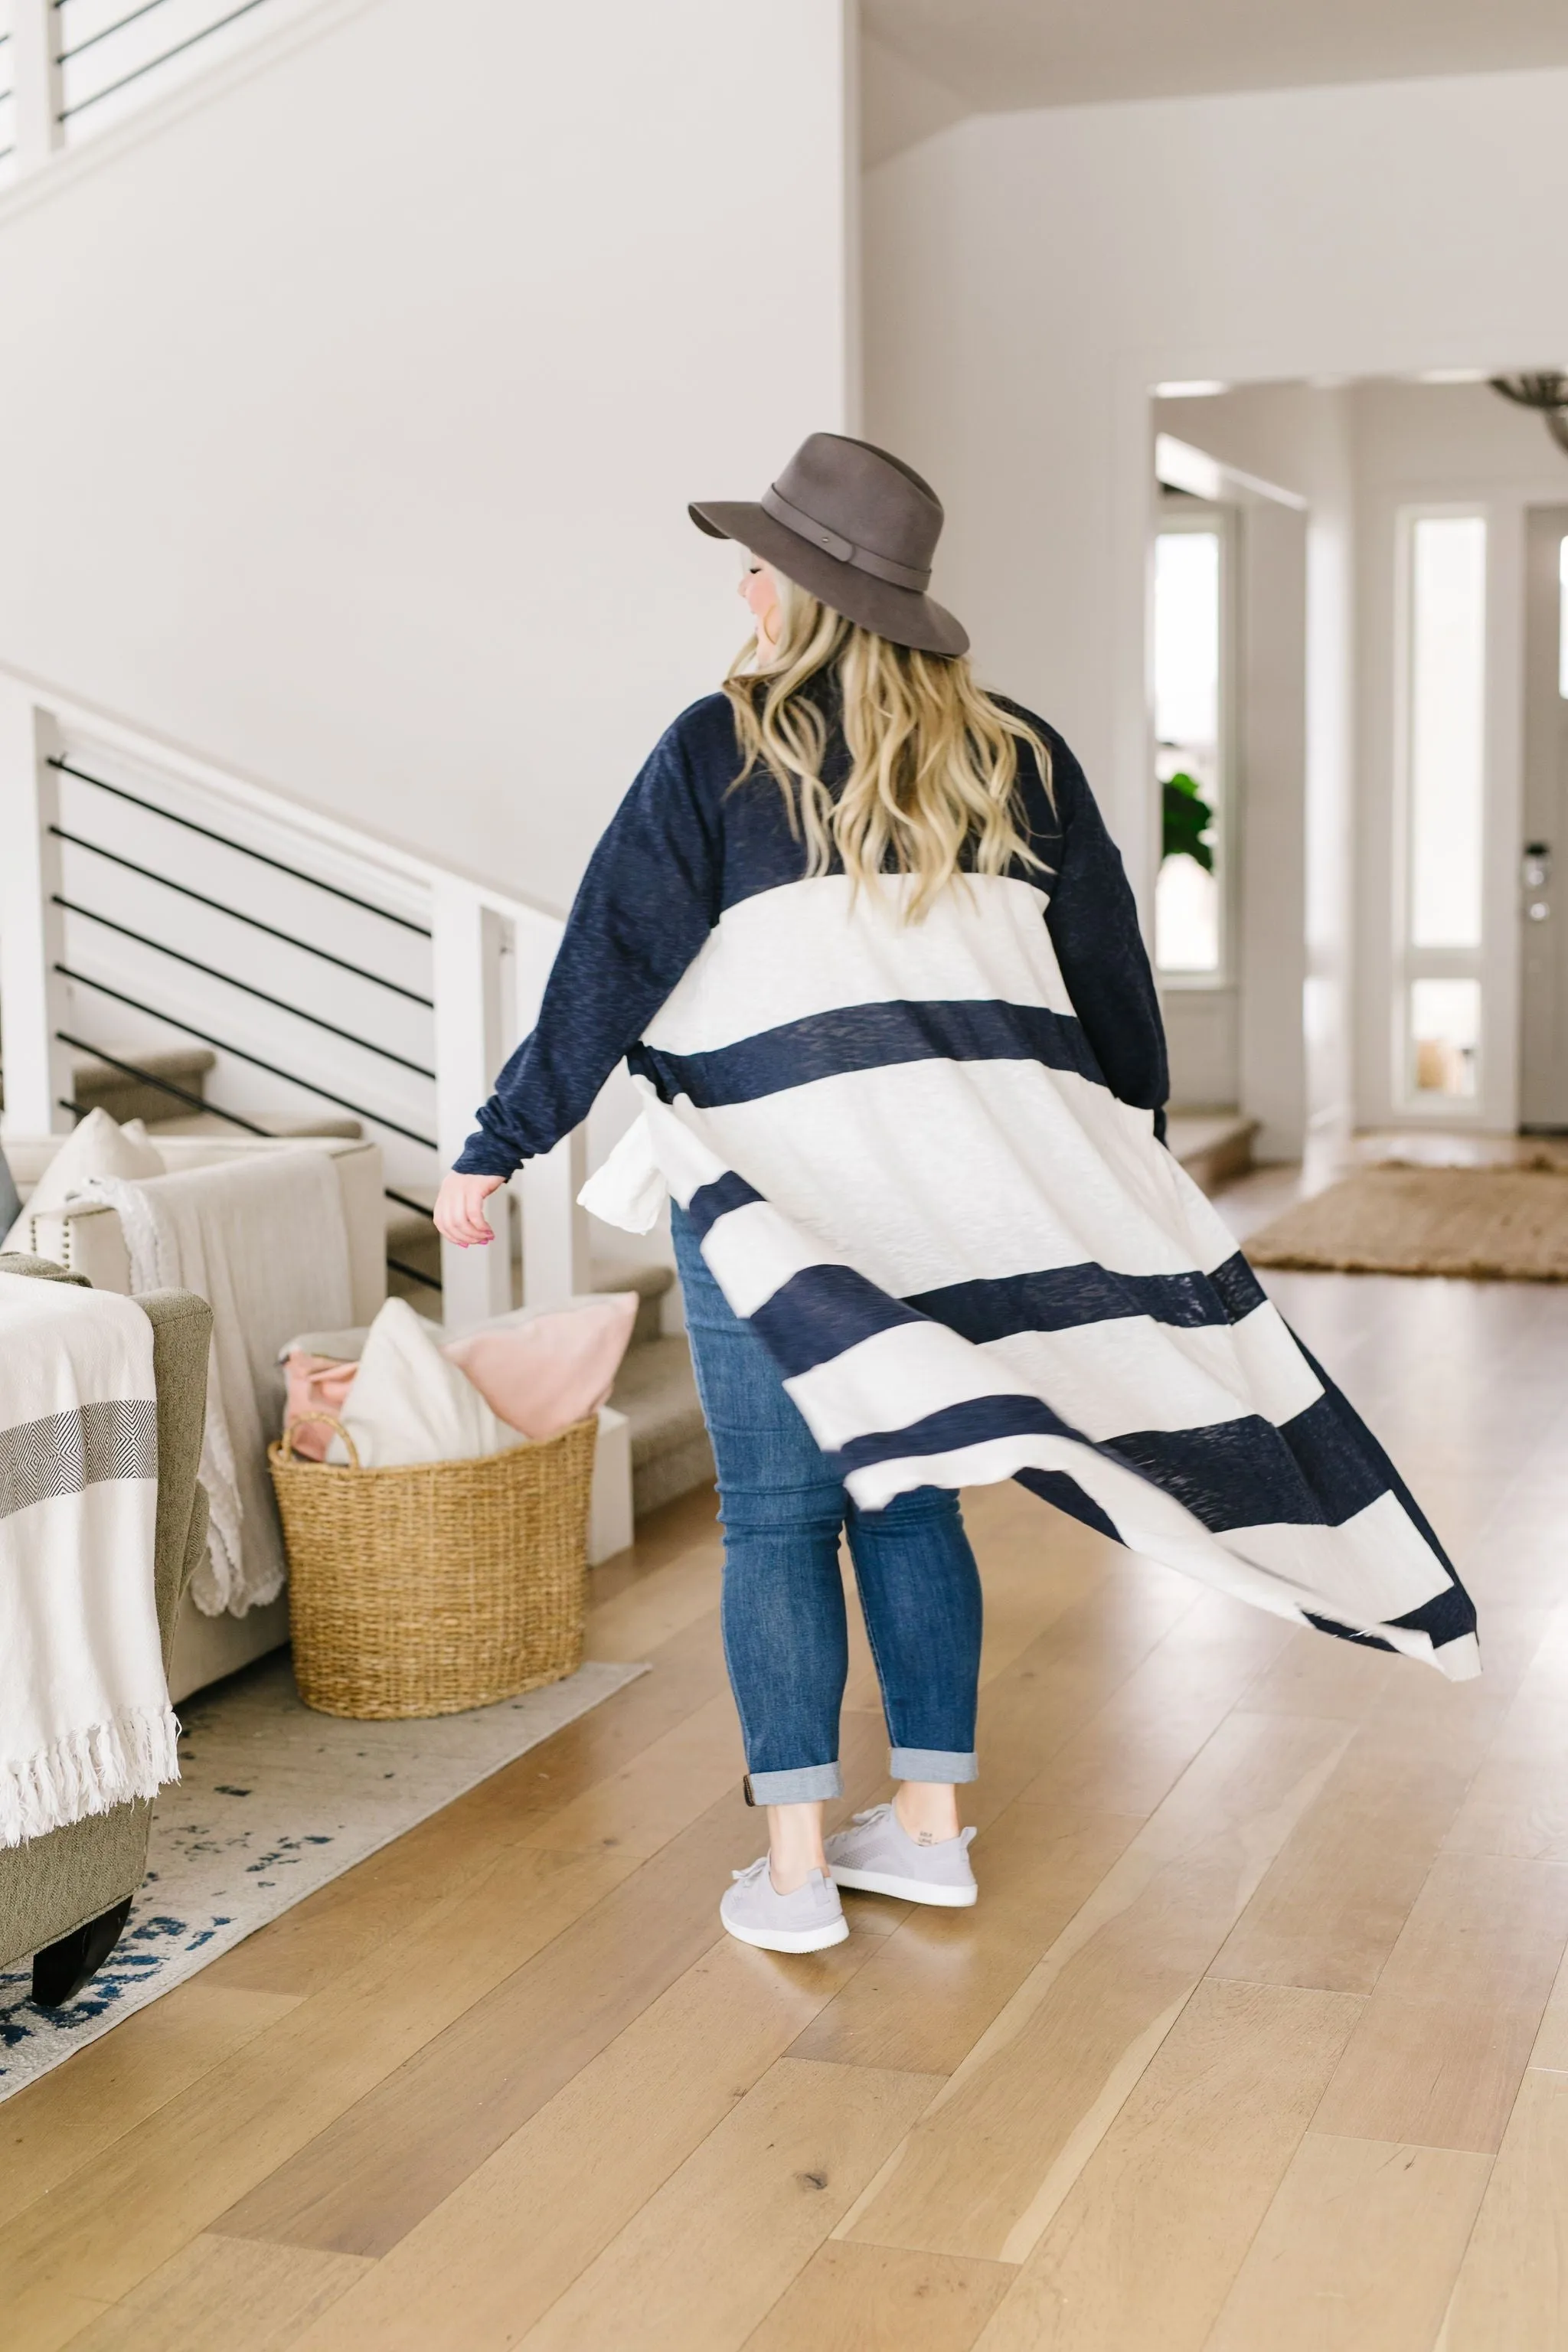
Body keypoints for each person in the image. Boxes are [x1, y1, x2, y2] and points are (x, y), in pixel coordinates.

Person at [436, 433, 1478, 1957]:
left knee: (775, 1521)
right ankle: (924, 1839)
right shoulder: (1023, 758)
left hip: (762, 1200)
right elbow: (1112, 996)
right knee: (913, 1501)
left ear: (798, 595)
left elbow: (609, 967)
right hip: (963, 1205)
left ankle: (792, 1871)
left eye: (755, 561)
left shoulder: (714, 752)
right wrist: (1116, 1160)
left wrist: (495, 1144)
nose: (740, 583)